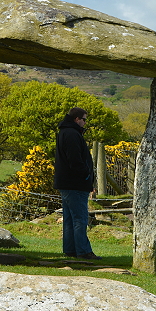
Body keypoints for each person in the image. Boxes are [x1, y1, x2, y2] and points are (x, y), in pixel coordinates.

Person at [53, 107, 100, 260]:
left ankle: (70, 249)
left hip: (66, 183)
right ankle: (83, 251)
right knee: (80, 218)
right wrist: (86, 175)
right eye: (84, 119)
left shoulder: (64, 132)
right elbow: (75, 160)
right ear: (76, 119)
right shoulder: (72, 134)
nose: (85, 123)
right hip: (75, 183)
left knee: (69, 219)